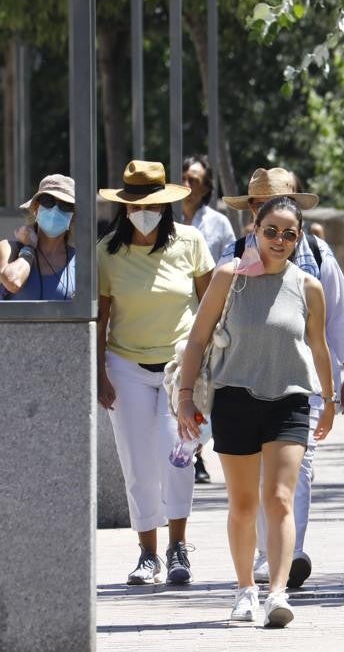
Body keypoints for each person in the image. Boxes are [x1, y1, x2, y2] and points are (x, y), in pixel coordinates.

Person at [175, 192, 337, 628]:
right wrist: (186, 395)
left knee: (280, 499)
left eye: (289, 234)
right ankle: (245, 588)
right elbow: (197, 338)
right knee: (244, 504)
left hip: (290, 400)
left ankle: (278, 593)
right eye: (271, 232)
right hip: (235, 398)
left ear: (299, 239)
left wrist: (330, 398)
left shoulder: (309, 286)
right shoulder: (230, 276)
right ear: (254, 231)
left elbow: (319, 347)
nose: (279, 240)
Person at [219, 169, 344, 590]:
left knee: (296, 471)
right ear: (252, 213)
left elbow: (339, 315)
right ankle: (268, 557)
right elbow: (209, 325)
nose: (278, 225)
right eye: (263, 208)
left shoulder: (317, 253)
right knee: (255, 483)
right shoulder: (230, 259)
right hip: (246, 381)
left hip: (302, 383)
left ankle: (290, 553)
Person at [97, 160, 215, 587]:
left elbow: (209, 307)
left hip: (179, 371)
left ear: (165, 206)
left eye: (150, 204)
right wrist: (99, 376)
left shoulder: (191, 242)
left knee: (179, 458)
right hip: (125, 367)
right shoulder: (107, 252)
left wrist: (207, 369)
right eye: (133, 205)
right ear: (123, 208)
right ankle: (147, 553)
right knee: (137, 465)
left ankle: (177, 547)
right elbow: (101, 317)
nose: (141, 212)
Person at [177, 154, 238, 484]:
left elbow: (229, 265)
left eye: (195, 180)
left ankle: (196, 452)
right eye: (184, 177)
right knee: (179, 386)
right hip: (173, 312)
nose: (188, 184)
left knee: (203, 387)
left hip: (207, 314)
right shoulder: (165, 220)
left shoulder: (217, 224)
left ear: (206, 188)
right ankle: (184, 449)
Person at [0, 174, 77, 300]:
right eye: (48, 201)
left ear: (72, 216)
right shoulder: (10, 248)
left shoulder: (81, 262)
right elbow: (13, 282)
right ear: (36, 208)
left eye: (65, 205)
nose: (55, 210)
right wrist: (29, 248)